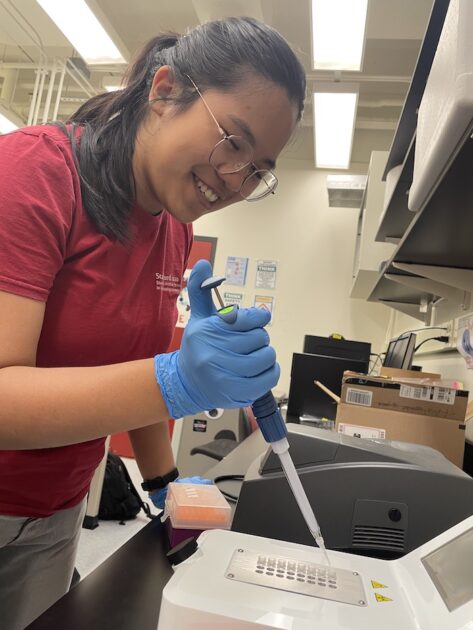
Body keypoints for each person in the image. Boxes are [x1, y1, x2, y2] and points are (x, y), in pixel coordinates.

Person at [0, 16, 306, 629]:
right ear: (165, 91)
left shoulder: (174, 229)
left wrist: (166, 484)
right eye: (233, 142)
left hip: (54, 512)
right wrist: (176, 380)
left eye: (258, 169)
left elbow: (129, 363)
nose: (235, 180)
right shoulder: (37, 173)